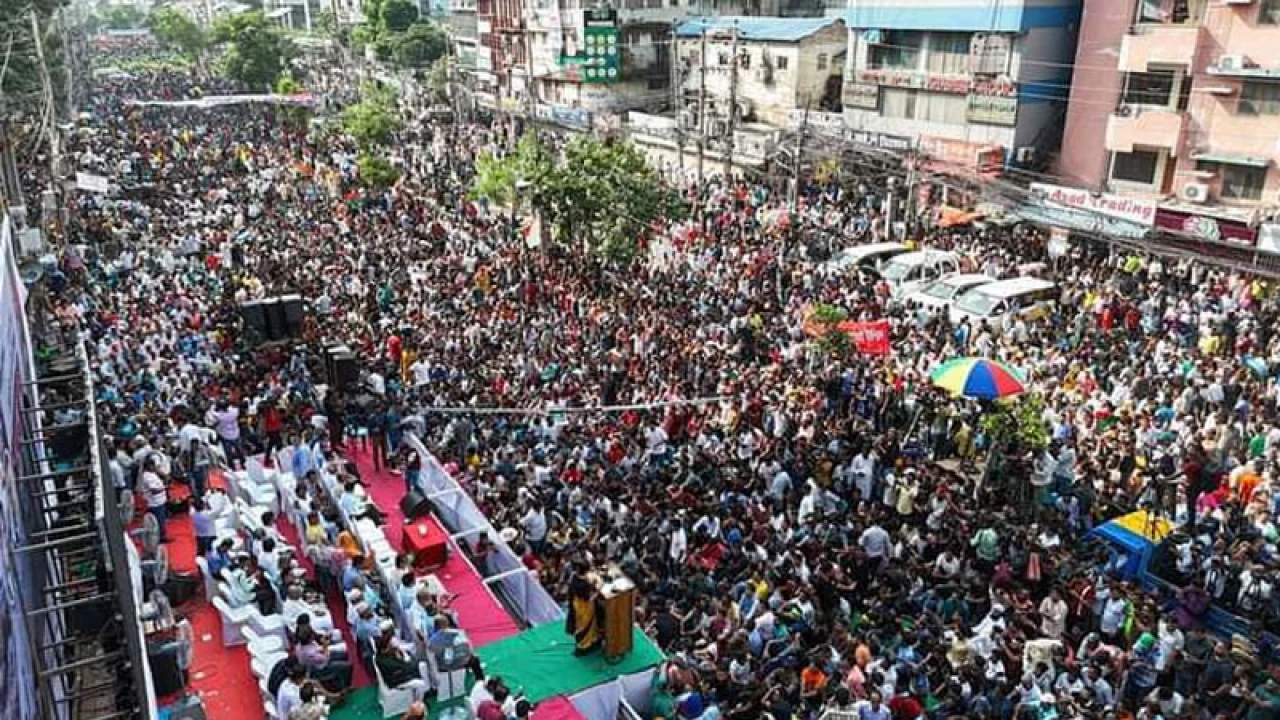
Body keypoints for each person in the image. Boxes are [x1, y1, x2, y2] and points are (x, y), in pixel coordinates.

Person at [565, 562, 601, 656]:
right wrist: (598, 591)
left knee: (580, 626)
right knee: (586, 627)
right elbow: (589, 598)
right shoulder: (584, 584)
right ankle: (584, 647)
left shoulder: (573, 577)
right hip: (585, 607)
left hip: (576, 604)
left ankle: (590, 641)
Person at [140, 457, 169, 542]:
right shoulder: (147, 476)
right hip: (155, 502)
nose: (154, 467)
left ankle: (161, 536)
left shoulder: (152, 474)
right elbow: (153, 490)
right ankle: (160, 537)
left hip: (159, 501)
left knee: (161, 519)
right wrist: (164, 488)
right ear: (149, 466)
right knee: (159, 521)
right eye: (153, 466)